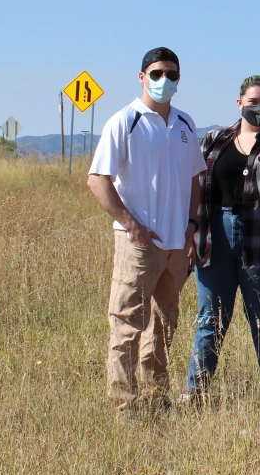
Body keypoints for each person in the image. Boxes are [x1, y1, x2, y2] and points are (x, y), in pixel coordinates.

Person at [88, 47, 207, 415]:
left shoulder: (185, 124)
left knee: (164, 324)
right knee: (127, 325)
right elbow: (98, 179)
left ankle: (157, 397)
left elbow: (196, 179)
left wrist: (191, 226)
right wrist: (131, 225)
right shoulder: (125, 121)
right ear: (142, 77)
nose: (163, 80)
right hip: (138, 244)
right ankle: (125, 407)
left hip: (176, 245)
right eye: (156, 74)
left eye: (171, 74)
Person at [181, 75, 260, 399]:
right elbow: (195, 190)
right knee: (210, 320)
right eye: (253, 102)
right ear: (239, 103)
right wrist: (190, 236)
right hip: (215, 239)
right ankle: (195, 392)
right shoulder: (214, 140)